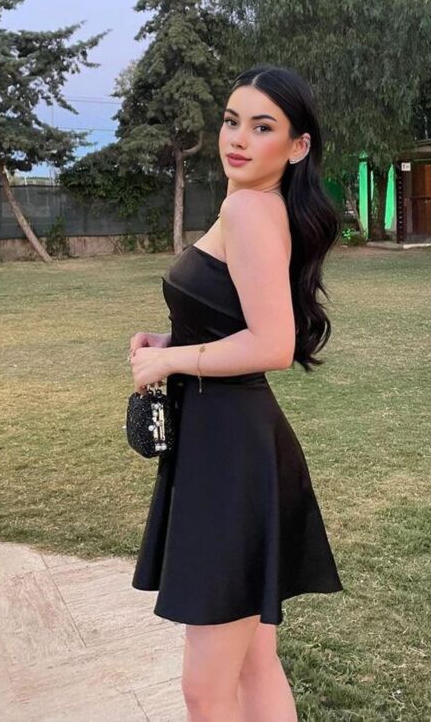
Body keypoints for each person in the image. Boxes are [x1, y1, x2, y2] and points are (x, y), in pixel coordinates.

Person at [128, 65, 344, 722]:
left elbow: (273, 343)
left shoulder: (248, 208)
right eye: (231, 121)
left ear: (298, 146)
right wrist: (176, 339)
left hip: (229, 456)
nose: (238, 138)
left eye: (262, 126)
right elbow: (239, 317)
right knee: (254, 663)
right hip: (235, 444)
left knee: (206, 688)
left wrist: (171, 361)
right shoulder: (259, 205)